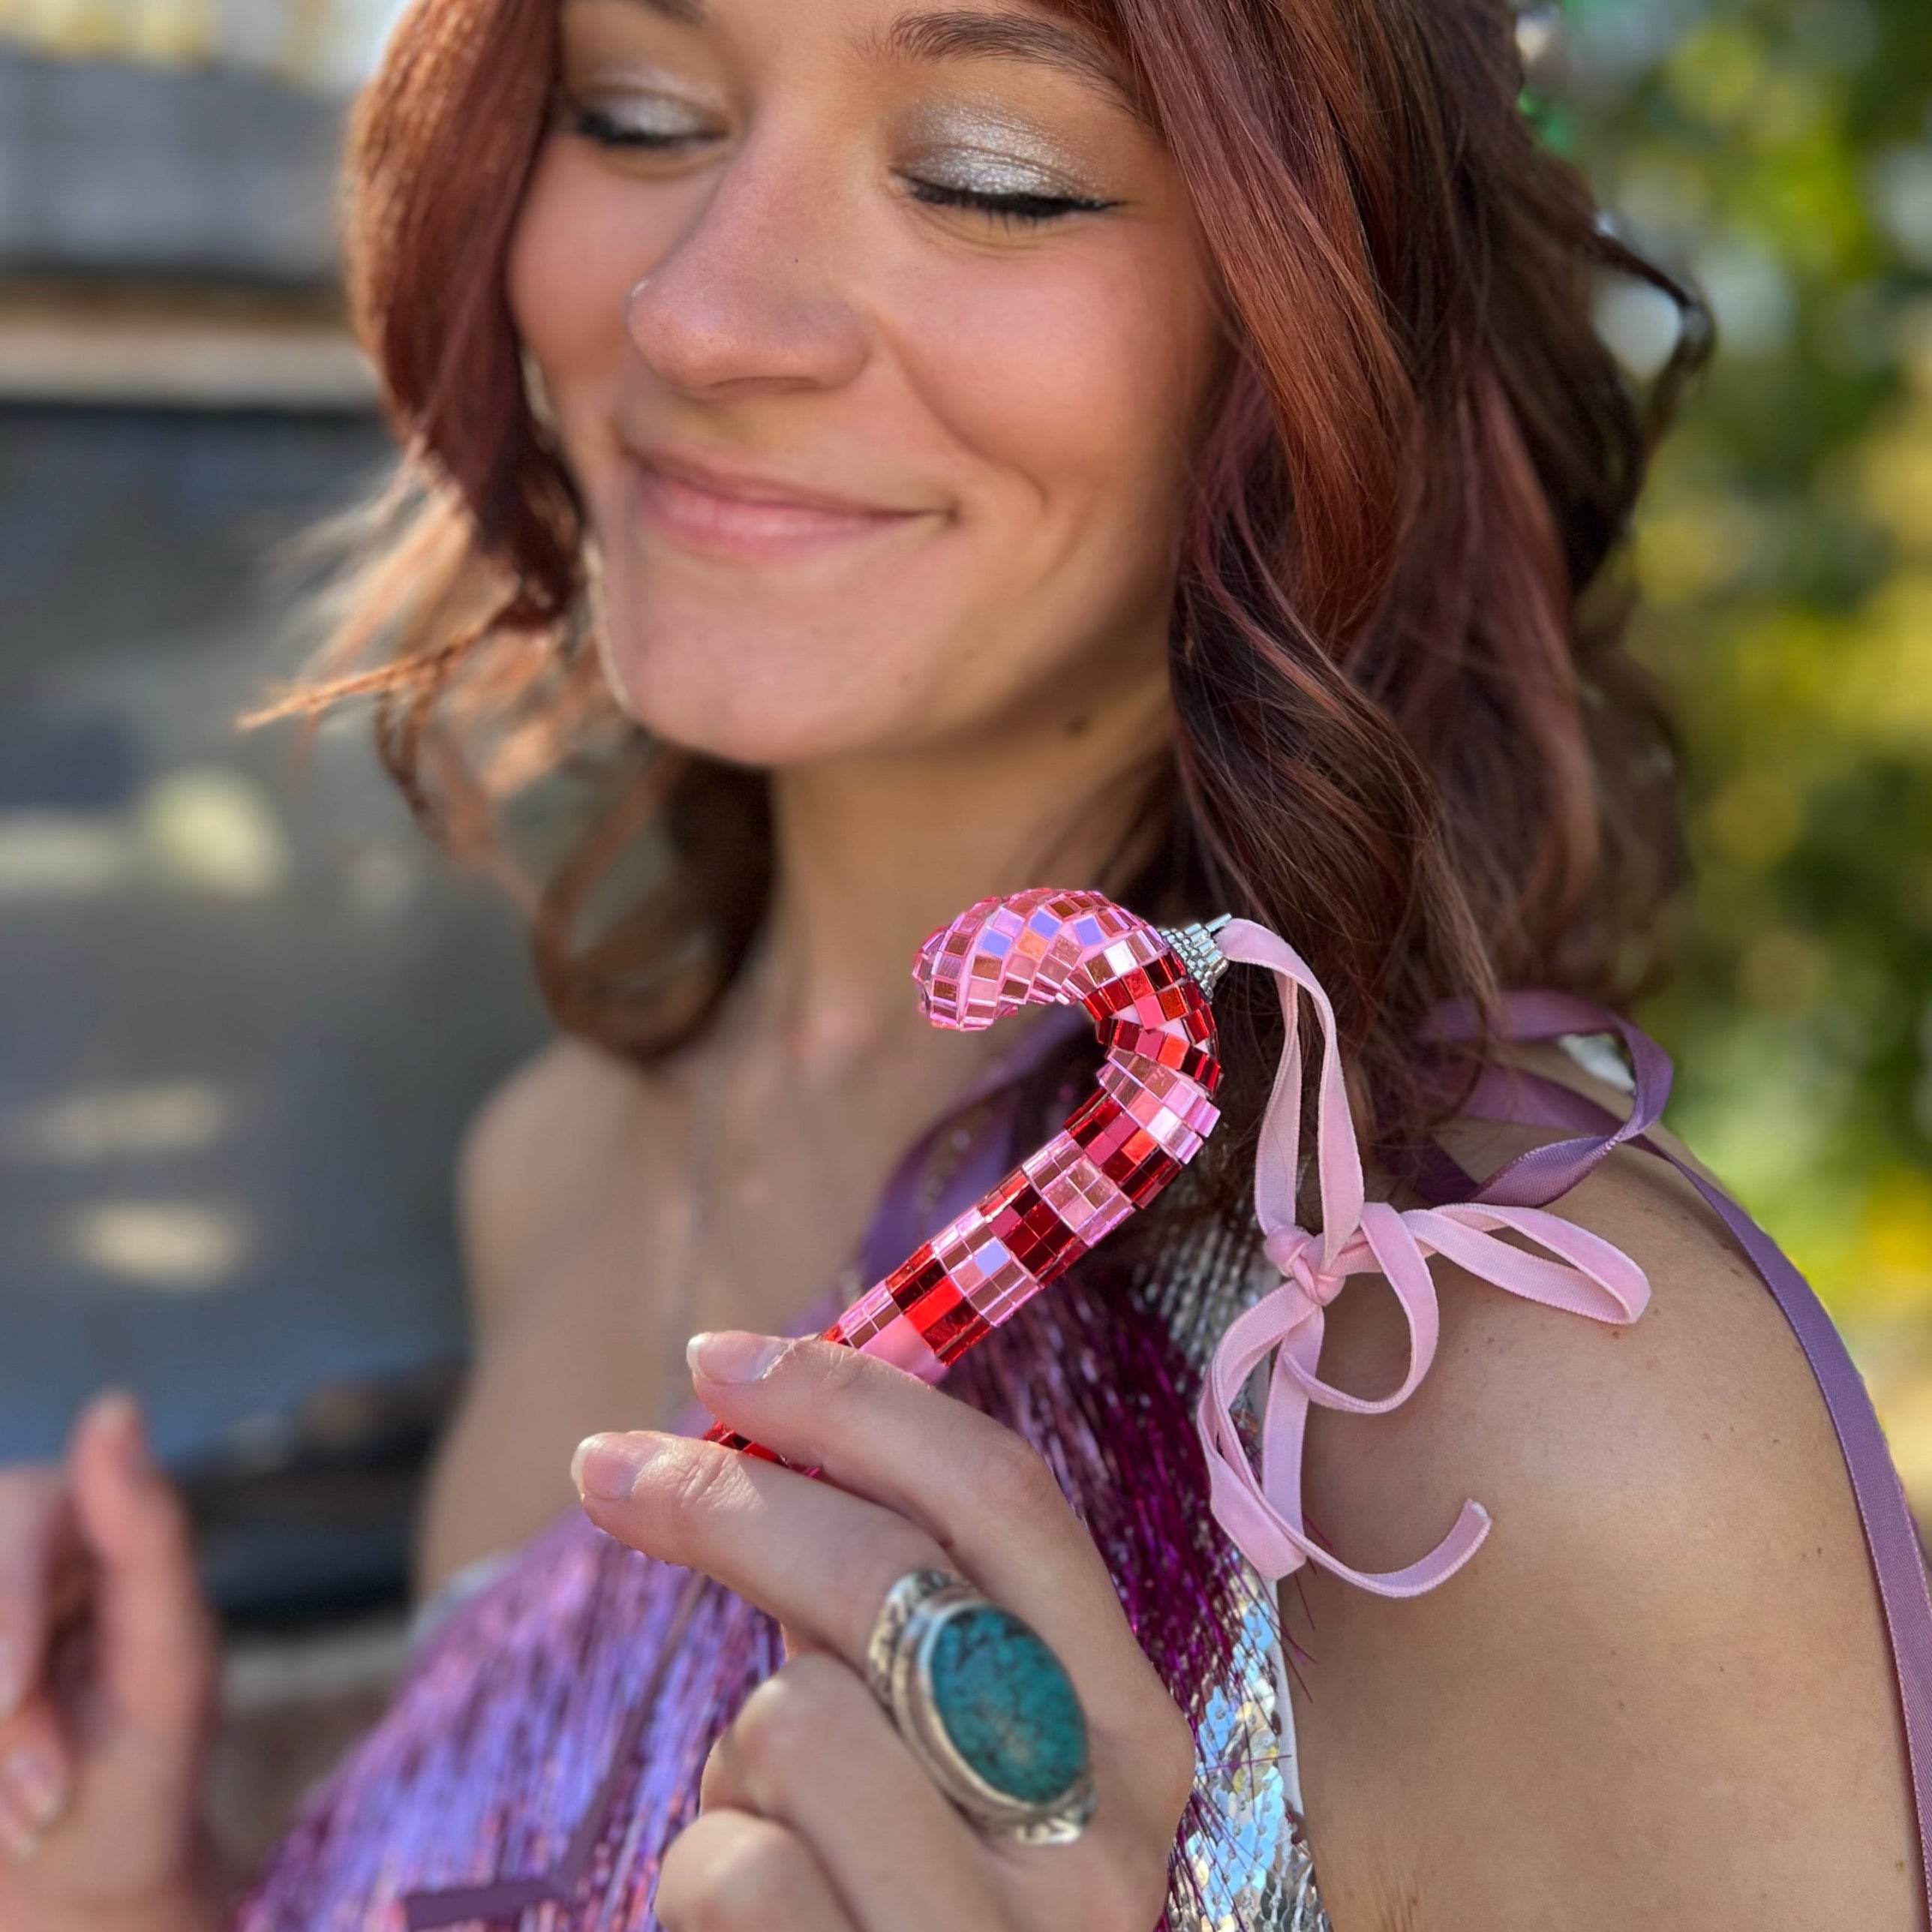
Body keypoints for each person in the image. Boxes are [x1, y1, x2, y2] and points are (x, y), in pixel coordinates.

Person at [0, 0, 1922, 1923]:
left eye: (989, 180)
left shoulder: (1545, 1415)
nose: (700, 314)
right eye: (639, 115)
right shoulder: (555, 1166)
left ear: (1322, 303)